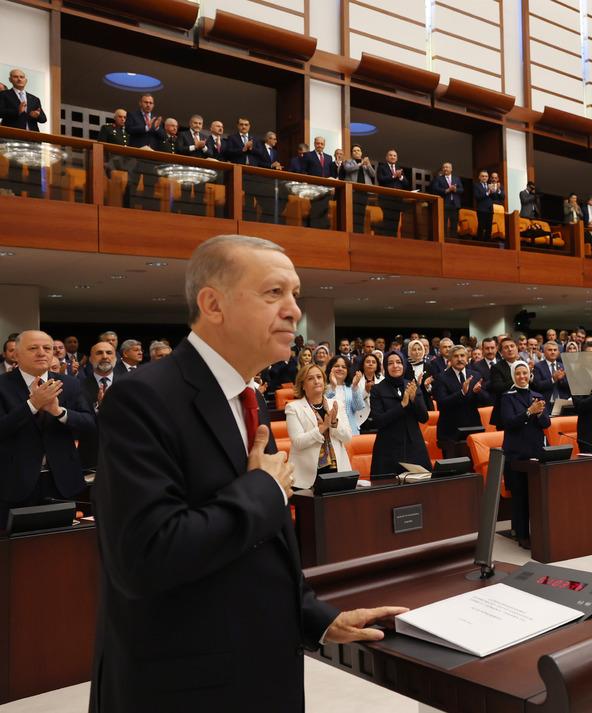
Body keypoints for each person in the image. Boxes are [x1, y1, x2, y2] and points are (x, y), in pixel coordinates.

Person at [90, 235, 407, 712]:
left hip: (260, 671)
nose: (294, 310)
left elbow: (260, 546)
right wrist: (262, 491)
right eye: (273, 293)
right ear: (212, 304)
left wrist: (317, 617)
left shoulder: (244, 396)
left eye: (295, 294)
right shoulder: (144, 400)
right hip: (186, 688)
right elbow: (145, 557)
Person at [0, 330, 95, 522]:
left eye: (47, 348)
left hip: (62, 480)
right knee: (17, 548)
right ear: (16, 354)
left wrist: (58, 411)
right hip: (14, 483)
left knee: (63, 547)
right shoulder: (2, 385)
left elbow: (90, 423)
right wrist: (32, 405)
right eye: (33, 348)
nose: (41, 353)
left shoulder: (69, 384)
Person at [500, 362, 550, 548]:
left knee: (535, 495)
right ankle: (522, 535)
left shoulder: (537, 395)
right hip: (516, 453)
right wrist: (529, 411)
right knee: (520, 495)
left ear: (529, 375)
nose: (522, 376)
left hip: (536, 451)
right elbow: (509, 422)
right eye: (518, 373)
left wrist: (538, 414)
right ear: (513, 376)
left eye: (525, 373)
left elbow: (546, 424)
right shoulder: (507, 397)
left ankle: (537, 531)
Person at [284, 363, 352, 488]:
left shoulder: (336, 404)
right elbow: (298, 442)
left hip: (337, 471)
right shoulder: (293, 408)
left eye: (319, 377)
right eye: (310, 378)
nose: (316, 381)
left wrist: (333, 423)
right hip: (306, 477)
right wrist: (322, 427)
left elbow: (348, 438)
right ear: (303, 385)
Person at [369, 351, 430, 475]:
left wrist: (414, 400)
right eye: (390, 363)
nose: (395, 366)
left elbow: (424, 418)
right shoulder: (377, 389)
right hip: (388, 448)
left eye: (398, 362)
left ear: (404, 365)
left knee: (420, 488)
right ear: (385, 367)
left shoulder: (412, 385)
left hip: (413, 445)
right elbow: (378, 421)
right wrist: (402, 405)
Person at [431, 345, 484, 458]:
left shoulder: (475, 375)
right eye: (456, 356)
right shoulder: (441, 377)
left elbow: (486, 400)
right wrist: (462, 393)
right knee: (454, 470)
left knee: (474, 468)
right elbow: (442, 403)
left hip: (473, 427)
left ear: (467, 358)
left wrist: (477, 392)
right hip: (450, 431)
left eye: (462, 356)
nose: (459, 359)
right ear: (450, 359)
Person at [324, 355, 366, 435]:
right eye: (336, 366)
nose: (340, 369)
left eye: (344, 367)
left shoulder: (352, 387)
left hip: (350, 431)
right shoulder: (323, 387)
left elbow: (359, 407)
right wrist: (333, 386)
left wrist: (355, 386)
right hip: (330, 432)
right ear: (330, 369)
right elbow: (324, 406)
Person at [432, 162, 464, 238]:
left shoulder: (456, 178)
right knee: (443, 224)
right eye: (444, 167)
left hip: (455, 204)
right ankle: (444, 241)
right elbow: (435, 189)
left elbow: (462, 190)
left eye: (447, 167)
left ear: (451, 169)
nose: (445, 169)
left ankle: (453, 242)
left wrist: (455, 189)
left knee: (454, 225)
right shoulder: (438, 178)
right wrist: (447, 190)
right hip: (444, 204)